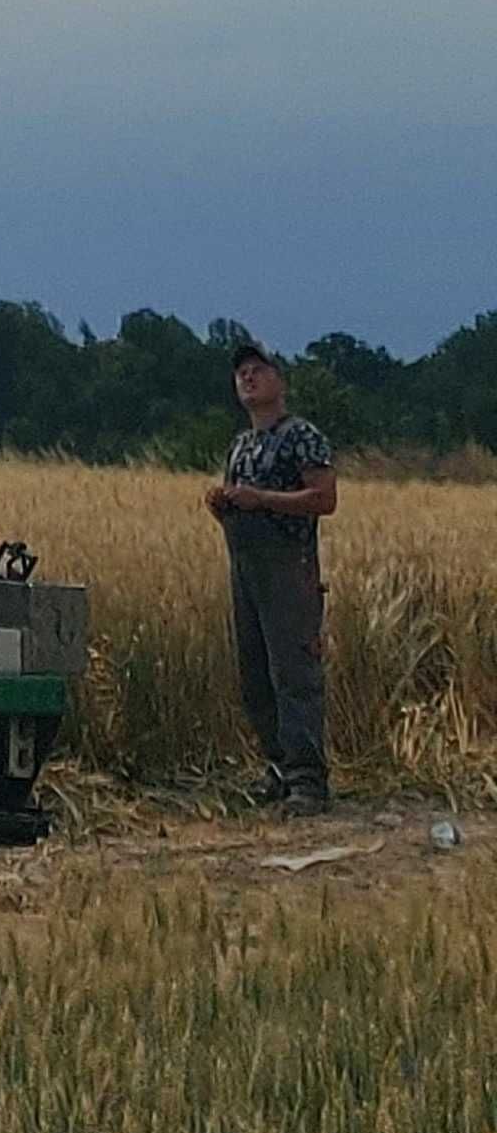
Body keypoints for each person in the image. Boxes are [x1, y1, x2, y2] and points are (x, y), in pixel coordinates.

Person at [207, 338, 337, 809]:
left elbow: (324, 498)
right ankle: (280, 768)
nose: (247, 377)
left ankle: (308, 779)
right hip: (246, 569)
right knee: (256, 676)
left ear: (280, 380)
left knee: (294, 673)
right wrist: (224, 507)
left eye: (258, 369)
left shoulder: (302, 436)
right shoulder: (241, 446)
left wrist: (262, 500)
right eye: (241, 372)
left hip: (290, 569)